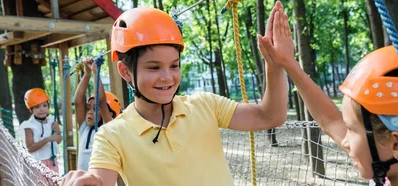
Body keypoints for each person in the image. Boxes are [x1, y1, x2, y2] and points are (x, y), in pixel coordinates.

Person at [61, 2, 289, 186]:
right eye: (153, 67)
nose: (167, 77)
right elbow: (101, 178)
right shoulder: (112, 135)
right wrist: (92, 181)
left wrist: (276, 66)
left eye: (174, 65)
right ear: (125, 72)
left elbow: (270, 116)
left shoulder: (205, 105)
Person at [258, 6, 398, 185]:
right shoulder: (386, 168)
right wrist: (289, 64)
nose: (345, 139)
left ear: (397, 145)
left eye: (352, 130)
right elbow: (330, 121)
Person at [74, 59, 122, 171]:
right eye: (88, 108)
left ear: (110, 113)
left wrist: (96, 73)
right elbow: (78, 102)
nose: (89, 112)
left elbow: (101, 102)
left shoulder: (108, 127)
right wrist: (87, 74)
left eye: (95, 109)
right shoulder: (84, 127)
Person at [19, 88, 62, 173]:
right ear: (31, 109)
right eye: (37, 107)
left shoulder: (52, 120)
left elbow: (59, 140)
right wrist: (48, 139)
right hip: (37, 163)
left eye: (44, 105)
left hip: (52, 161)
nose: (42, 109)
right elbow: (30, 148)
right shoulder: (29, 126)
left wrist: (57, 132)